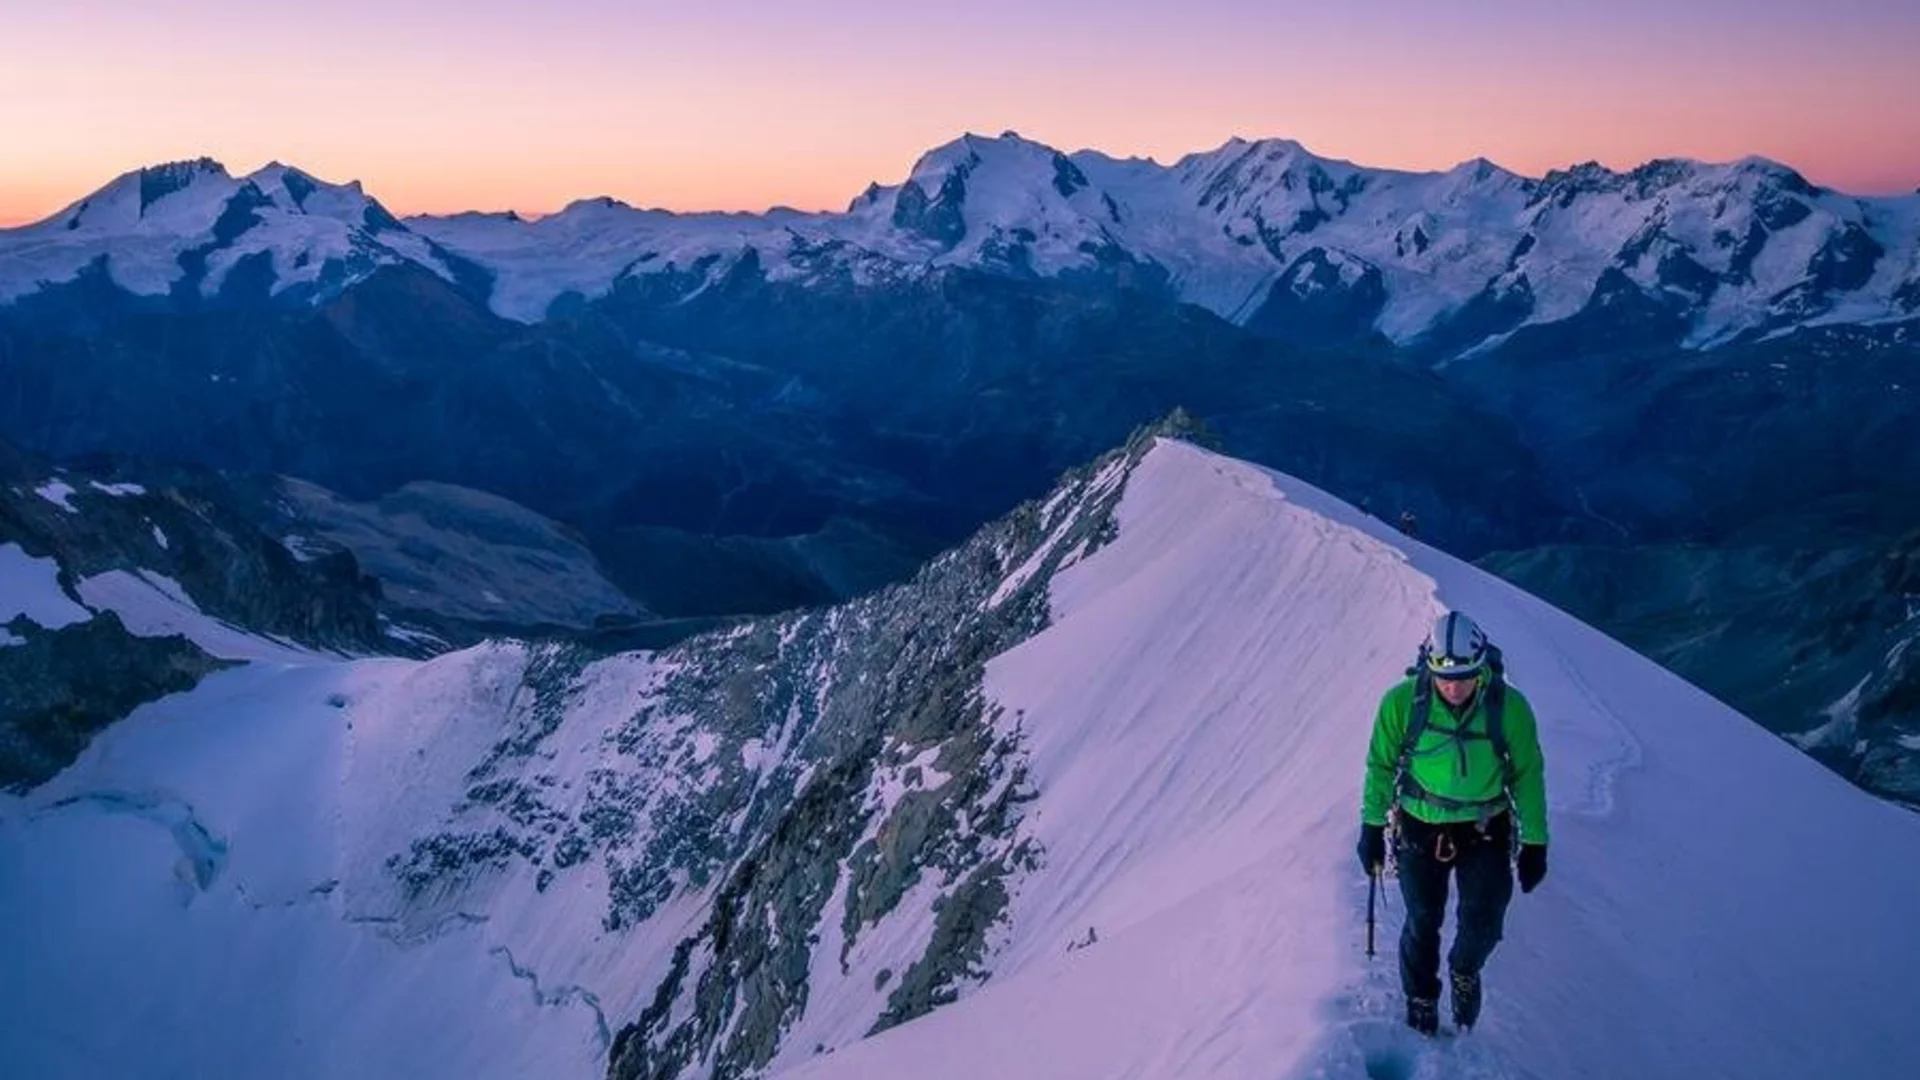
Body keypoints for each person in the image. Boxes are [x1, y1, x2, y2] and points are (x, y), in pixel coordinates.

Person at [1357, 611, 1548, 1035]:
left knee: (1484, 921)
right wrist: (1371, 826)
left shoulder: (1509, 708)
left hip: (1485, 828)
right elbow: (1381, 766)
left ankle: (1465, 970)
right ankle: (1421, 1002)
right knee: (1423, 919)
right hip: (1421, 825)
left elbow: (1528, 773)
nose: (1454, 686)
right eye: (1445, 677)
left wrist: (1536, 841)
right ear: (1429, 665)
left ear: (1481, 668)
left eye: (1465, 676)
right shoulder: (1401, 703)